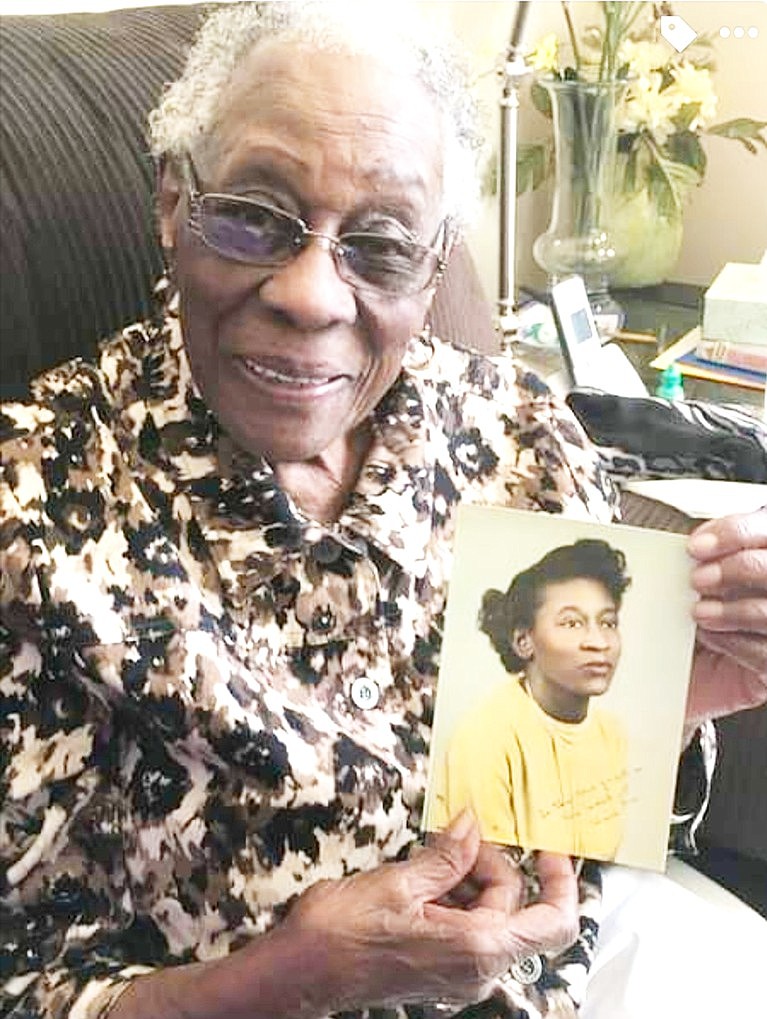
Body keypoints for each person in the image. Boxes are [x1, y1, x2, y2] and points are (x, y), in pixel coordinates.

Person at [0, 3, 766, 1018]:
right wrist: (288, 980)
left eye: (382, 244)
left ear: (435, 261)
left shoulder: (520, 429)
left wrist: (668, 701)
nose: (312, 293)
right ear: (173, 203)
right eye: (253, 214)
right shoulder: (33, 513)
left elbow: (556, 799)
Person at [430, 539, 632, 861]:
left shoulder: (612, 735)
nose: (599, 642)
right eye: (572, 623)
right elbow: (487, 873)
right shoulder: (486, 736)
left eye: (607, 623)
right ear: (524, 642)